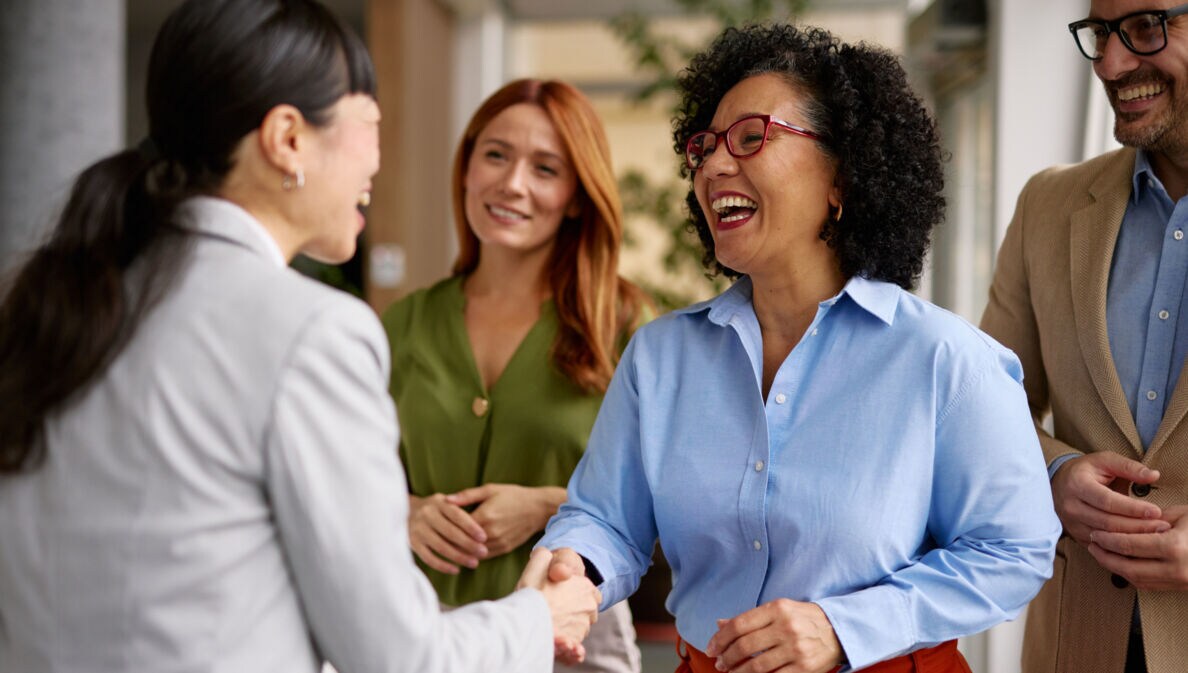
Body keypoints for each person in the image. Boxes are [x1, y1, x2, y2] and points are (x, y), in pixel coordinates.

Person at [0, 1, 600, 672]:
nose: (377, 159)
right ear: (288, 137)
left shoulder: (58, 301)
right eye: (370, 124)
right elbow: (403, 657)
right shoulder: (315, 332)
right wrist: (536, 617)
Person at [534, 23, 1062, 673]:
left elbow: (1014, 549)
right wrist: (575, 566)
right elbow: (607, 519)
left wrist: (844, 626)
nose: (714, 165)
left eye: (752, 137)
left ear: (842, 179)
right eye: (705, 146)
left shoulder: (947, 361)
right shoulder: (660, 357)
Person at [380, 78, 650, 673]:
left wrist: (549, 507)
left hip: (571, 635)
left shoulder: (626, 326)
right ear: (467, 168)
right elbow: (344, 472)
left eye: (546, 168)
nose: (512, 184)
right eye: (496, 155)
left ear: (578, 195)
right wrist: (406, 511)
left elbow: (669, 499)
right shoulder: (405, 323)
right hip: (420, 630)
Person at [980, 2, 1188, 672]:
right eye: (1101, 33)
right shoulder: (1048, 204)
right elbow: (979, 414)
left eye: (1148, 28)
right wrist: (1053, 473)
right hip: (1076, 644)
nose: (1111, 63)